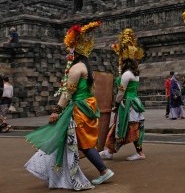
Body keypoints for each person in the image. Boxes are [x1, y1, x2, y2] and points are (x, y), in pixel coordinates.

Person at [25, 21, 114, 190]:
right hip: (86, 107)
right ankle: (63, 171)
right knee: (75, 141)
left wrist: (56, 111)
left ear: (76, 51)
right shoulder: (85, 67)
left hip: (78, 109)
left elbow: (67, 93)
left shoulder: (75, 69)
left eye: (70, 49)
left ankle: (103, 170)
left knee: (81, 142)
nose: (68, 52)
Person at [99, 28, 146, 161]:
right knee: (130, 126)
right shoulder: (135, 74)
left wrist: (116, 104)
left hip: (127, 104)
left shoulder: (126, 74)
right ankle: (110, 150)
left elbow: (121, 92)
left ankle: (136, 152)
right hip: (134, 101)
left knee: (126, 127)